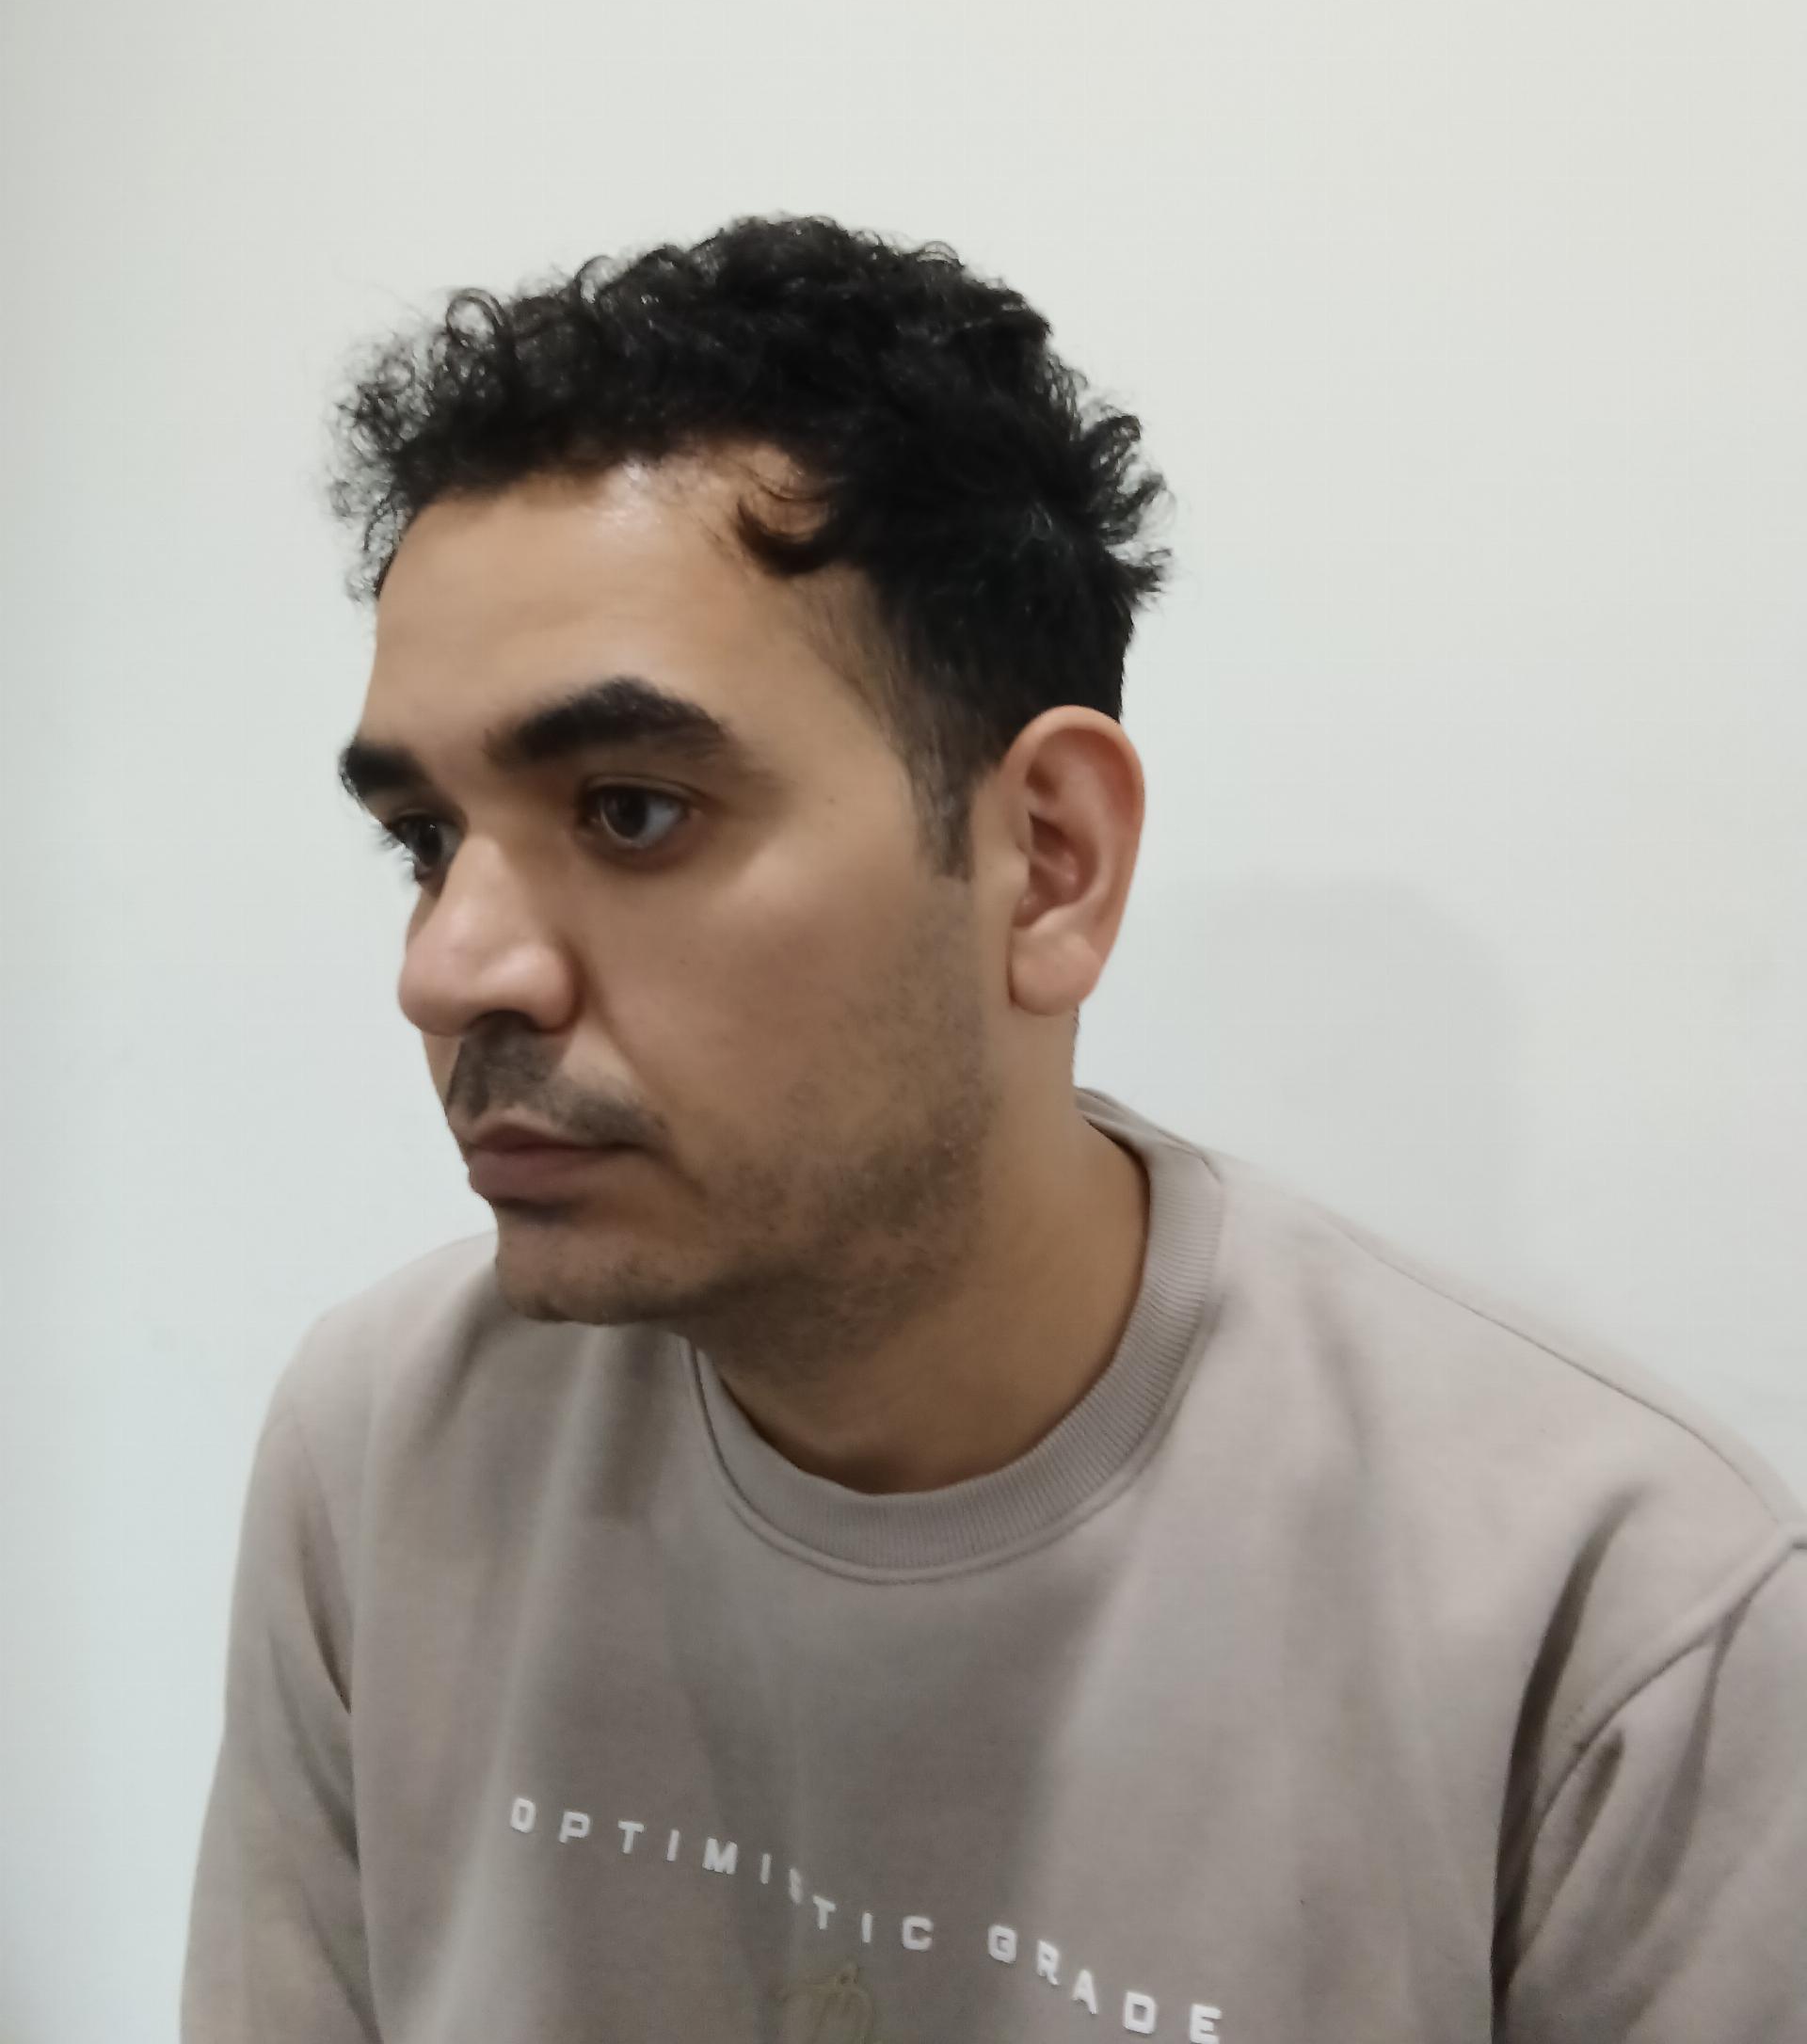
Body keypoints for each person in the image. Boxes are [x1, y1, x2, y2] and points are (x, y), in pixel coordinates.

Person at [181, 215, 1807, 2043]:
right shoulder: (384, 1449)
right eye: (424, 840)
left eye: (631, 810)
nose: (448, 968)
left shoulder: (1616, 1625)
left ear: (1048, 861)